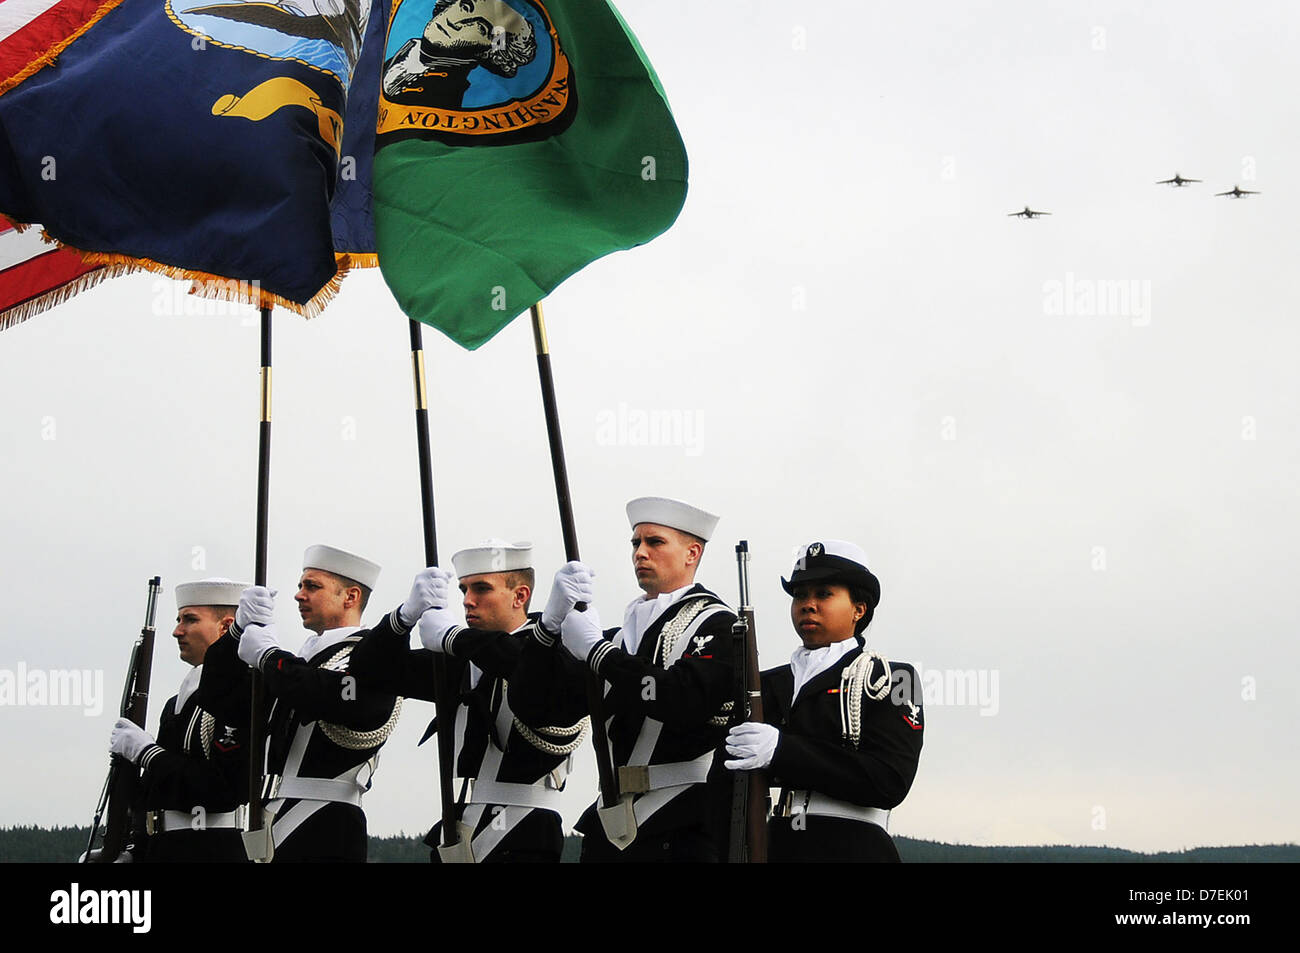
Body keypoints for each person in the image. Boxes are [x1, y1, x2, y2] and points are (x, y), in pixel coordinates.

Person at [510, 496, 738, 862]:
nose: (640, 553)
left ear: (692, 553)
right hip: (613, 825)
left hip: (683, 823)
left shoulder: (720, 626)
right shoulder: (620, 638)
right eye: (636, 543)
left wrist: (599, 654)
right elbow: (537, 707)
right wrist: (546, 630)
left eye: (655, 542)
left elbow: (682, 698)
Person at [350, 539, 588, 863]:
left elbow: (527, 670)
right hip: (463, 826)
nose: (468, 601)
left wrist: (455, 638)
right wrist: (403, 618)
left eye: (481, 589)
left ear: (520, 596)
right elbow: (370, 671)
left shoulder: (555, 654)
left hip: (523, 833)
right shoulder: (461, 662)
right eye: (463, 590)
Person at [203, 544, 440, 862]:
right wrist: (235, 633)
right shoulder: (297, 665)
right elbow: (218, 698)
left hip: (326, 828)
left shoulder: (372, 661)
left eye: (312, 586)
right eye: (301, 586)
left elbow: (337, 697)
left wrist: (270, 657)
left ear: (351, 597)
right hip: (269, 822)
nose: (299, 595)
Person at [724, 540, 924, 862]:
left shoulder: (892, 679)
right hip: (775, 845)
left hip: (854, 847)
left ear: (859, 609)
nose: (808, 604)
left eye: (824, 594)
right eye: (800, 595)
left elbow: (889, 780)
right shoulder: (763, 685)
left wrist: (782, 751)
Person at [108, 578, 252, 862]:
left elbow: (220, 790)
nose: (177, 631)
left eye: (190, 619)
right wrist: (135, 851)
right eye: (178, 619)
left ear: (226, 627)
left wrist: (148, 754)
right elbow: (159, 793)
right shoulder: (176, 703)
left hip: (210, 850)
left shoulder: (242, 692)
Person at [382, 0, 538, 105]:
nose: (458, 21)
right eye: (465, 6)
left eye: (481, 28)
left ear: (492, 53)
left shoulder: (448, 99)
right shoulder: (395, 50)